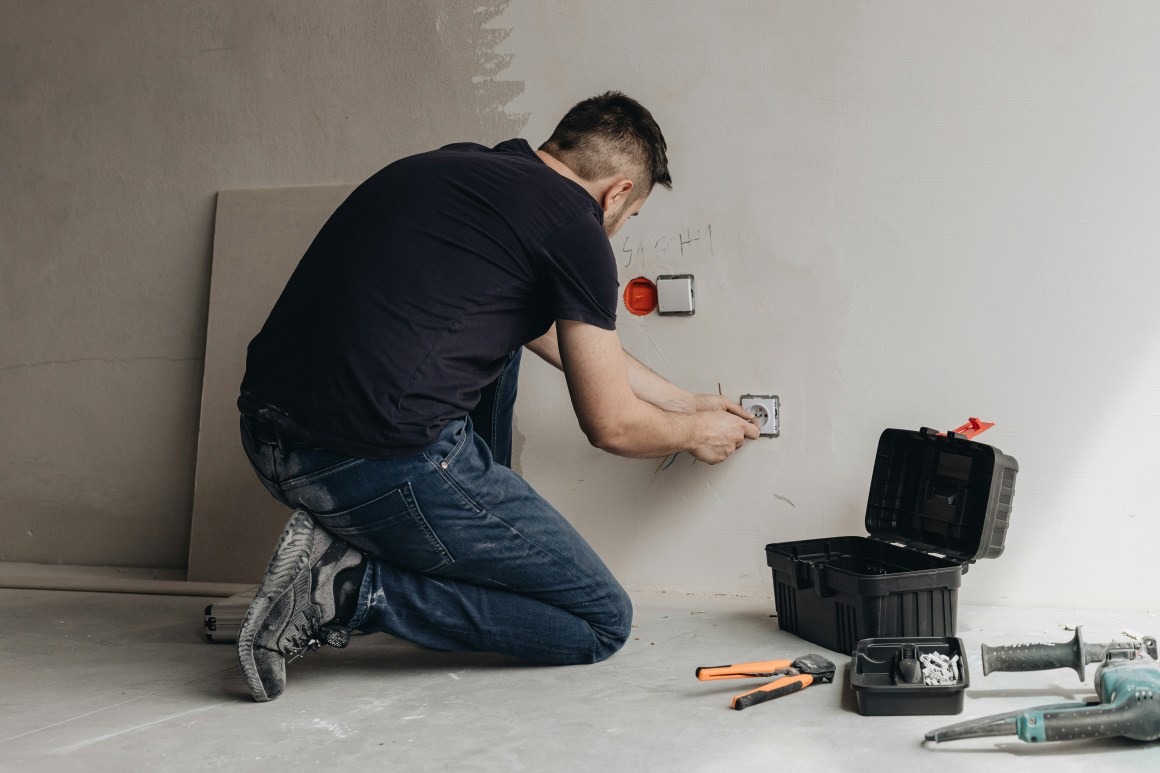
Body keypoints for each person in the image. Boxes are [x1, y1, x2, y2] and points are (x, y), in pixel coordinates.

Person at [235, 91, 760, 702]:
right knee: (600, 621)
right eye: (631, 216)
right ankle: (348, 589)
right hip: (370, 469)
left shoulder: (450, 167)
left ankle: (446, 525)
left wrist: (684, 403)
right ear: (617, 192)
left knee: (511, 327)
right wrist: (699, 434)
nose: (619, 229)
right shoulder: (575, 226)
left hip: (268, 442)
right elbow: (612, 426)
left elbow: (544, 334)